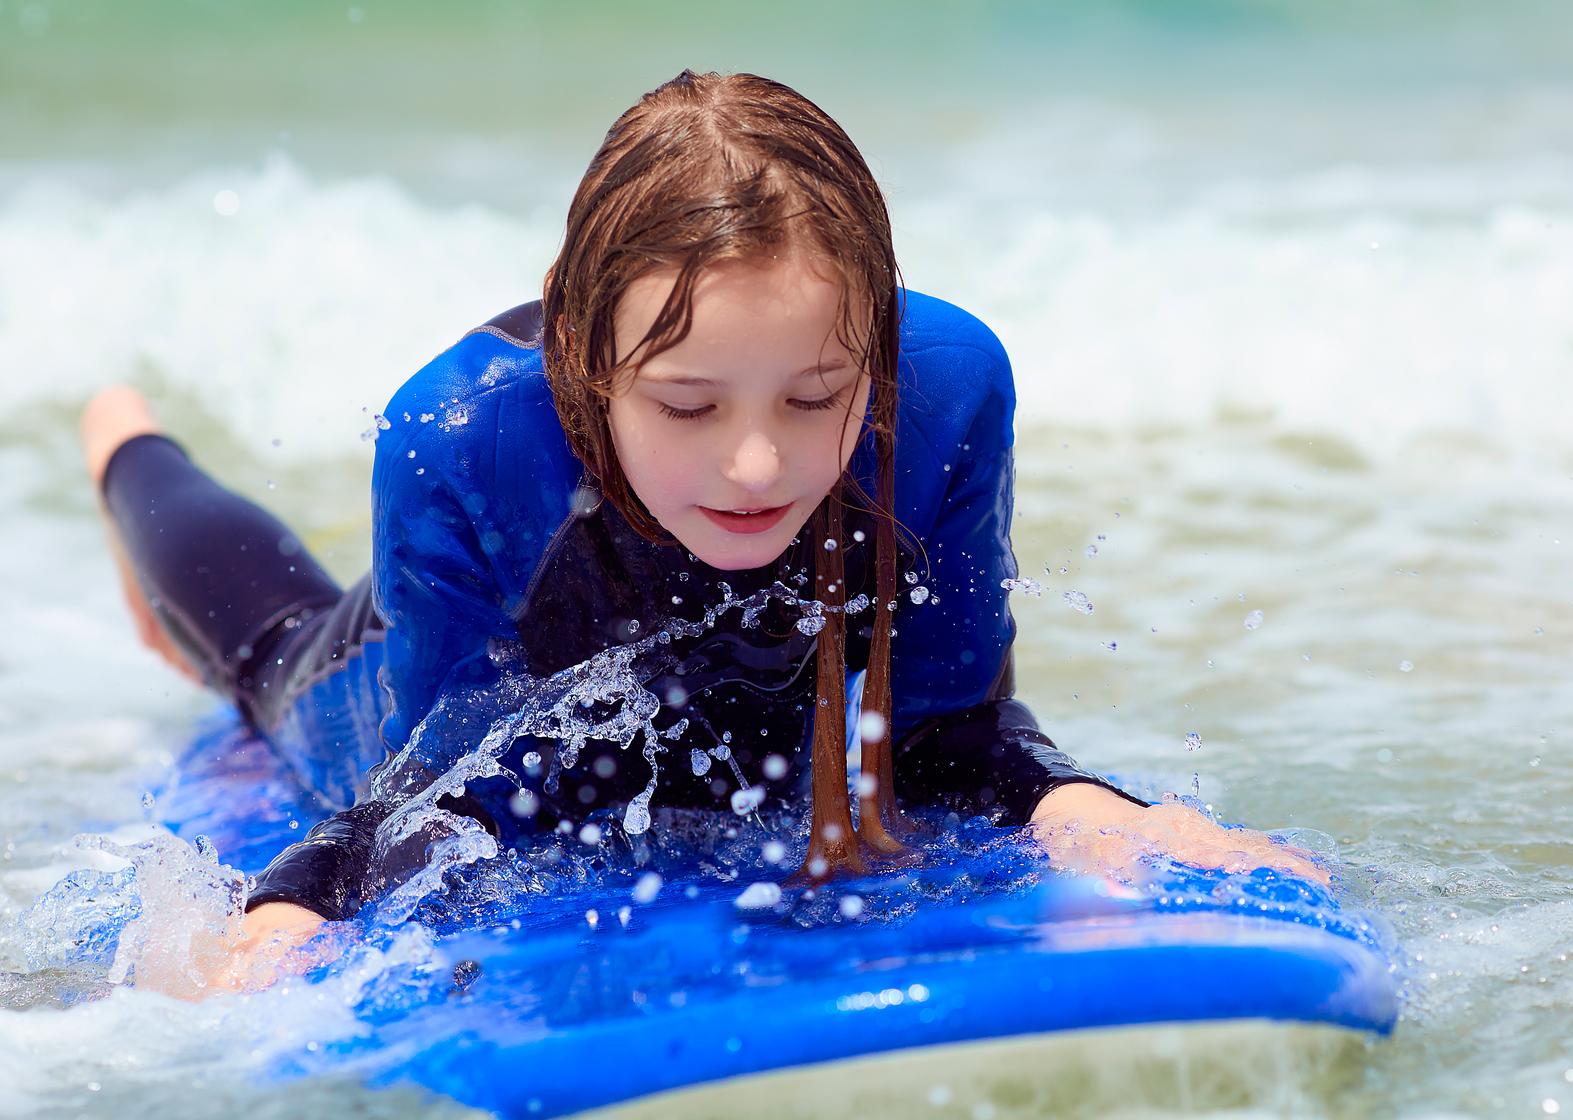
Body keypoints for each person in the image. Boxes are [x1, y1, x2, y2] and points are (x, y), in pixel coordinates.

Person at [81, 71, 1326, 992]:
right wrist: (300, 901)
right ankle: (120, 441)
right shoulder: (462, 436)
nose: (755, 460)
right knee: (267, 646)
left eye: (815, 397)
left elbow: (946, 728)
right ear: (589, 372)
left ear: (873, 364)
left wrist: (1083, 808)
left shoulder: (945, 386)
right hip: (393, 678)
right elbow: (446, 794)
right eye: (687, 404)